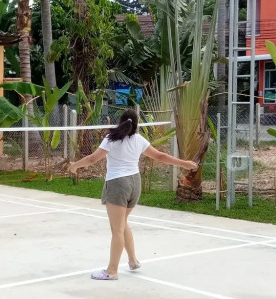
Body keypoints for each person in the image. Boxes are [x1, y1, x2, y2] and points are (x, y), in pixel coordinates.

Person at [68, 109, 198, 280]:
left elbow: (92, 159)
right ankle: (133, 261)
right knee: (122, 223)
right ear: (136, 125)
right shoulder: (139, 140)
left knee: (117, 229)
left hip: (118, 184)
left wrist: (74, 166)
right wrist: (184, 164)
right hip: (135, 184)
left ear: (120, 122)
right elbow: (160, 156)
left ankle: (111, 271)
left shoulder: (111, 139)